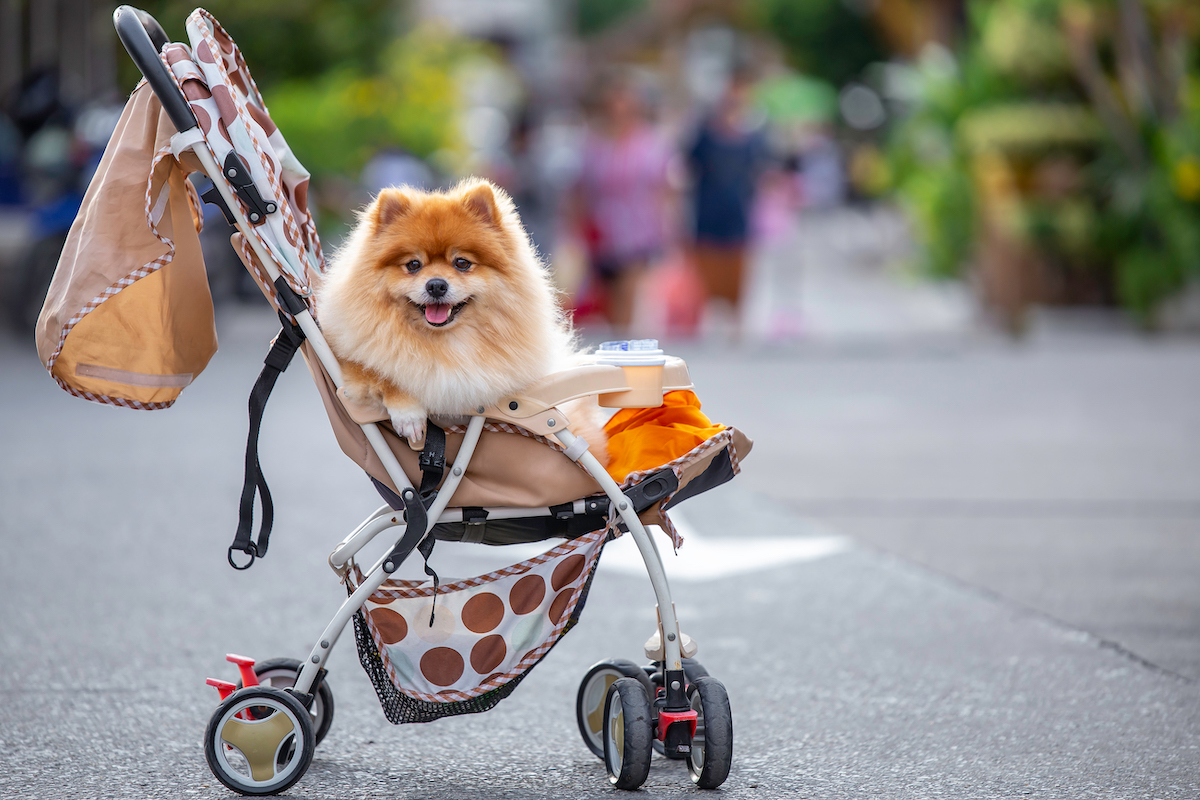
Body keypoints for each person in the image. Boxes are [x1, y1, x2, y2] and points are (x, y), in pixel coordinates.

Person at [572, 70, 672, 334]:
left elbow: (663, 188)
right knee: (608, 299)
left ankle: (625, 341)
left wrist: (667, 229)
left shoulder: (650, 143)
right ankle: (617, 342)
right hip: (603, 232)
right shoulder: (593, 143)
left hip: (639, 231)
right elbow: (581, 189)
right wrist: (576, 230)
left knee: (629, 292)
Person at [686, 68, 770, 326]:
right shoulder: (705, 133)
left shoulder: (754, 137)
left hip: (739, 215)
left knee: (737, 274)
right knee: (707, 274)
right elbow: (689, 167)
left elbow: (764, 173)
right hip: (707, 214)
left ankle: (736, 322)